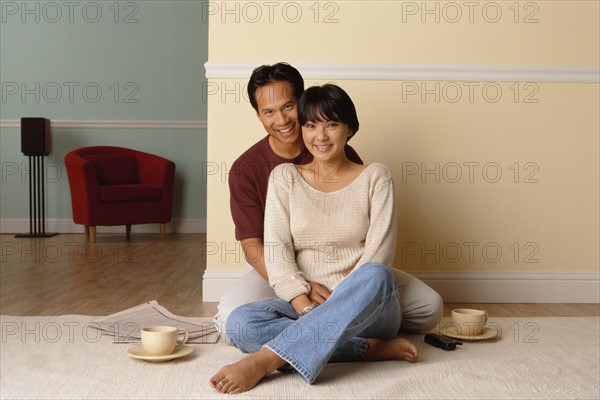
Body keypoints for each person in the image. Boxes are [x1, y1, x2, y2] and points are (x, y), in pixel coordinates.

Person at [210, 84, 418, 394]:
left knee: (376, 273)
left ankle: (266, 360)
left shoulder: (375, 176)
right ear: (302, 130)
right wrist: (303, 301)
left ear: (350, 128)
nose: (320, 136)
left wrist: (343, 296)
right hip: (307, 303)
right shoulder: (284, 178)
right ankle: (368, 350)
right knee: (240, 322)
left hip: (366, 308)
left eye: (332, 124)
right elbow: (277, 250)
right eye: (310, 125)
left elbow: (380, 251)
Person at [214, 62, 442, 337]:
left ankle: (306, 334)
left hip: (353, 274)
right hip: (281, 267)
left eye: (288, 107)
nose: (282, 120)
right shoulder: (250, 170)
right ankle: (358, 340)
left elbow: (374, 245)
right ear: (259, 116)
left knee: (430, 307)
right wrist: (300, 288)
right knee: (231, 322)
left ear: (301, 103)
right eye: (269, 112)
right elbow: (253, 246)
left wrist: (348, 292)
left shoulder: (345, 155)